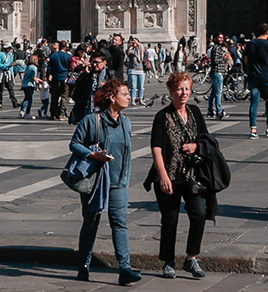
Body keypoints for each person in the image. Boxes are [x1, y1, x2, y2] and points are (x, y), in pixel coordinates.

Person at [69, 79, 141, 285]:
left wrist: (125, 177)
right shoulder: (92, 120)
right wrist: (93, 155)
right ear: (112, 97)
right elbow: (74, 144)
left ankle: (125, 269)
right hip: (96, 181)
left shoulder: (126, 121)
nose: (129, 97)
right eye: (124, 94)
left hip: (119, 181)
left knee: (119, 223)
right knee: (91, 223)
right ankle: (83, 265)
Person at [147, 72, 211, 279]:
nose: (183, 93)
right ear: (171, 91)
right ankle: (168, 261)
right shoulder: (162, 116)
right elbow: (156, 148)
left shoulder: (195, 112)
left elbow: (207, 139)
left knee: (199, 214)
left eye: (187, 88)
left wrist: (196, 145)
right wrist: (163, 176)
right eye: (179, 89)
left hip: (193, 175)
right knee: (170, 219)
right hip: (170, 176)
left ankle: (191, 258)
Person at [244, 23, 268, 140]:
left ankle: (253, 130)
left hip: (253, 77)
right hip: (267, 76)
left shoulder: (250, 44)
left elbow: (246, 60)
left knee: (254, 103)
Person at [70, 51, 111, 124]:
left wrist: (107, 87)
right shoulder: (88, 75)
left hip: (104, 110)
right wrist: (85, 74)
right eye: (93, 62)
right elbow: (78, 85)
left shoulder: (109, 75)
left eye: (97, 62)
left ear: (104, 62)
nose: (95, 65)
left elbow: (116, 91)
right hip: (87, 109)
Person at [207, 32, 232, 120]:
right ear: (215, 38)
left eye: (222, 37)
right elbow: (215, 61)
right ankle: (219, 111)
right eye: (219, 37)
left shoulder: (216, 48)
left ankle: (210, 110)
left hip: (216, 73)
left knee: (213, 93)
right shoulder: (216, 48)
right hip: (218, 73)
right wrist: (224, 57)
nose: (221, 39)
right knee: (218, 93)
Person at [48, 41, 73, 120]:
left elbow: (49, 69)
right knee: (64, 96)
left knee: (54, 96)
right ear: (66, 47)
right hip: (65, 77)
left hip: (55, 78)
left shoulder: (53, 56)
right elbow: (71, 68)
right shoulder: (68, 56)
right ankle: (62, 114)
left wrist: (48, 76)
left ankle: (53, 113)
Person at [21, 54, 46, 119]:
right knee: (30, 99)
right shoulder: (34, 68)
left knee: (26, 98)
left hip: (25, 84)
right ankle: (27, 113)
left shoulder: (28, 67)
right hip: (30, 84)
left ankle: (22, 111)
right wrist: (40, 82)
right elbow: (34, 77)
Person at [0, 43, 18, 109]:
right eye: (9, 48)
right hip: (2, 73)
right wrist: (6, 66)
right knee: (1, 89)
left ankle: (14, 102)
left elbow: (11, 62)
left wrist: (12, 69)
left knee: (11, 88)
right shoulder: (0, 54)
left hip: (8, 73)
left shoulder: (10, 55)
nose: (10, 49)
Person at [126, 39, 146, 106]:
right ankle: (133, 100)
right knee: (133, 87)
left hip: (141, 70)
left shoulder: (140, 50)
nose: (134, 43)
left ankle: (140, 99)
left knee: (141, 86)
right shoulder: (131, 51)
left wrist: (136, 42)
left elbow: (141, 46)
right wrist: (129, 46)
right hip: (133, 71)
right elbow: (127, 53)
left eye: (135, 42)